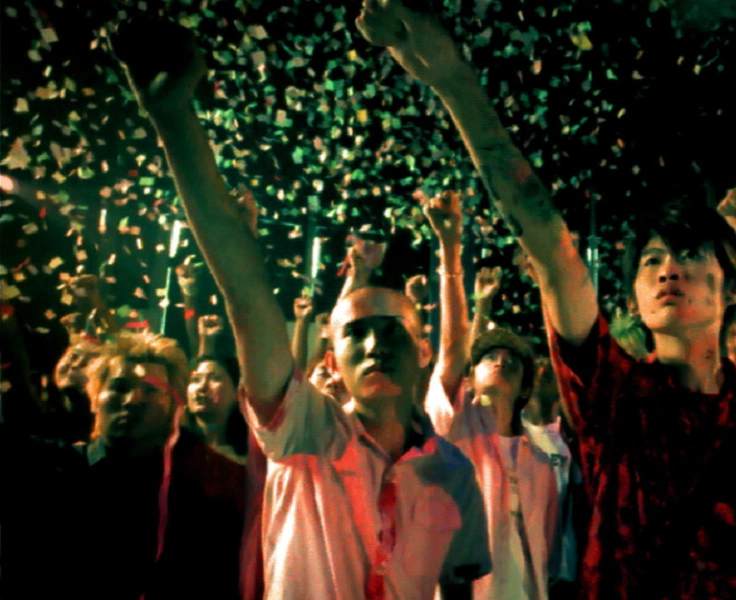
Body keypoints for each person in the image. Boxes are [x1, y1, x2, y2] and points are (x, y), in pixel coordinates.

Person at [354, 5, 736, 597]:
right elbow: (547, 240)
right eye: (651, 261)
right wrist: (454, 81)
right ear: (636, 299)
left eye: (690, 254)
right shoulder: (612, 396)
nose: (668, 269)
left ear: (735, 285)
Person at [111, 16, 489, 599]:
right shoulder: (303, 430)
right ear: (331, 360)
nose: (374, 343)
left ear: (422, 349)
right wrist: (174, 118)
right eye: (356, 333)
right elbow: (244, 292)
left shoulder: (455, 474)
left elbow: (459, 589)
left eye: (392, 329)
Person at [421, 190, 577, 600]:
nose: (502, 360)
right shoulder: (452, 424)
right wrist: (451, 253)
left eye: (513, 358)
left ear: (528, 384)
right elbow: (453, 348)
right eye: (490, 355)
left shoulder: (542, 453)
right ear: (469, 378)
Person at [79, 331, 246, 599]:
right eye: (119, 387)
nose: (133, 400)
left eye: (150, 389)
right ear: (95, 396)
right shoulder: (54, 470)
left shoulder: (206, 489)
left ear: (174, 407)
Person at [186, 353, 248, 462]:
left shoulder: (250, 456)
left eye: (215, 379)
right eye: (195, 379)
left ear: (237, 392)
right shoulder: (173, 448)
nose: (202, 387)